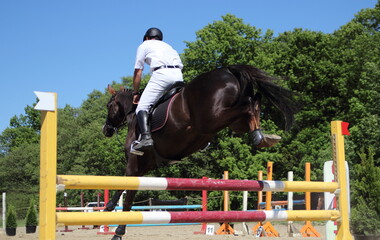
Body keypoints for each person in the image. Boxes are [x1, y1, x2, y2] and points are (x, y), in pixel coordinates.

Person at [132, 27, 183, 153]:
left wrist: (136, 93)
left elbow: (138, 71)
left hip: (162, 74)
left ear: (147, 38)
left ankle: (146, 138)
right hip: (178, 74)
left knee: (142, 107)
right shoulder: (168, 46)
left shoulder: (144, 45)